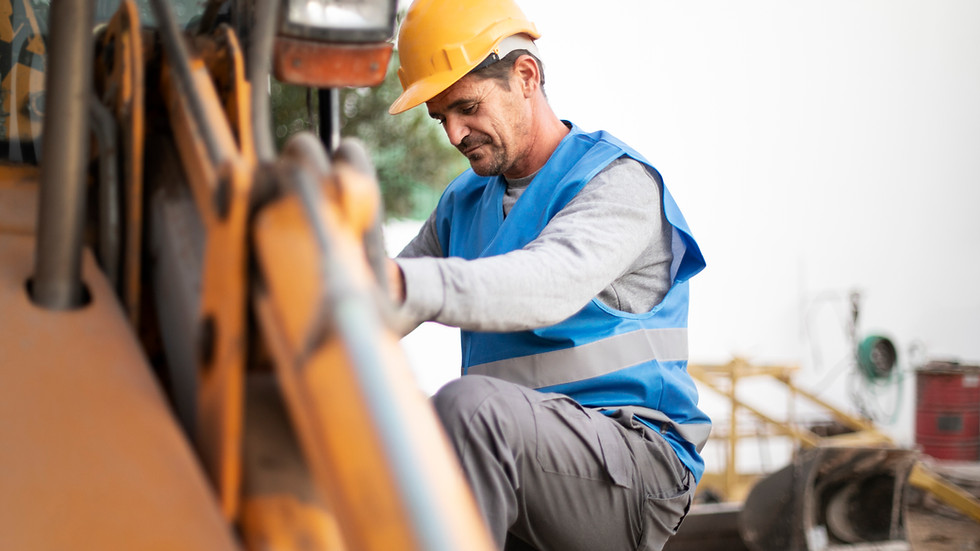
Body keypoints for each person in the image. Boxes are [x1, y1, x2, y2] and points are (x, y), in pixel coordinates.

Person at [385, 1, 710, 549]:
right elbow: (377, 307)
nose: (454, 134)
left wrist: (400, 285)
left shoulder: (616, 184)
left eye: (466, 107)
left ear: (525, 76)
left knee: (468, 408)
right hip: (517, 462)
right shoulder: (463, 204)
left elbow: (547, 282)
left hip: (635, 465)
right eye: (440, 117)